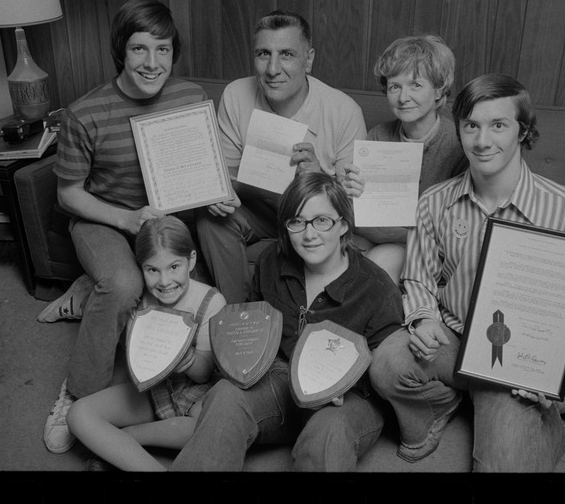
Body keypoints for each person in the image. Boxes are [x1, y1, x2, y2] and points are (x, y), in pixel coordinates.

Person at [369, 73, 565, 472]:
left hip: (516, 354)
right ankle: (447, 402)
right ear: (458, 129)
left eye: (498, 125)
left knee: (502, 465)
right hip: (453, 338)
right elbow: (419, 277)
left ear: (523, 131)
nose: (482, 140)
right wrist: (422, 317)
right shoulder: (435, 201)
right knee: (386, 365)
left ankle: (557, 394)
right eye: (471, 125)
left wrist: (542, 364)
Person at [43, 0, 209, 454]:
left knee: (197, 287)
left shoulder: (192, 97)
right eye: (140, 49)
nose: (152, 62)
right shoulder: (85, 112)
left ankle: (85, 289)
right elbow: (68, 193)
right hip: (105, 220)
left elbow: (200, 168)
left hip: (165, 222)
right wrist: (126, 219)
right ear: (121, 50)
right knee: (121, 283)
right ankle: (74, 394)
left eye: (163, 49)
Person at [170, 172, 404, 472]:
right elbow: (255, 331)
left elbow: (386, 372)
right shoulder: (272, 261)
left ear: (343, 225)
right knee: (225, 396)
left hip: (350, 397)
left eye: (322, 220)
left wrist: (341, 384)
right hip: (282, 379)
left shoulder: (376, 287)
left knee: (327, 434)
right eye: (297, 221)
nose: (309, 234)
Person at [197, 10, 367, 305]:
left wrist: (319, 182)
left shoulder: (343, 110)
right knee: (210, 219)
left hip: (313, 217)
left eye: (286, 54)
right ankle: (241, 319)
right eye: (264, 54)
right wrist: (225, 189)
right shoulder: (236, 94)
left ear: (309, 59)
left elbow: (353, 209)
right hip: (257, 211)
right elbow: (225, 178)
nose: (273, 68)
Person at [65, 216, 226, 472]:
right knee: (78, 414)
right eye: (153, 270)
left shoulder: (212, 301)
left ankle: (130, 437)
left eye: (174, 267)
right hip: (151, 389)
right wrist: (131, 334)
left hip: (196, 393)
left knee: (211, 425)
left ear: (191, 261)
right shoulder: (142, 299)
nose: (164, 281)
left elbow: (204, 374)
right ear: (141, 268)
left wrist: (190, 360)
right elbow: (136, 366)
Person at [341, 35, 468, 282]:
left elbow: (456, 229)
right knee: (337, 247)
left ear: (439, 90)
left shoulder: (458, 145)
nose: (403, 97)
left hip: (434, 248)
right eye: (394, 87)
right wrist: (351, 194)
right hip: (381, 236)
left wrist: (399, 233)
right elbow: (358, 216)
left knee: (380, 260)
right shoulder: (378, 136)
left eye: (415, 85)